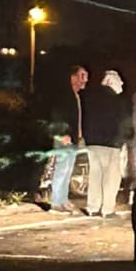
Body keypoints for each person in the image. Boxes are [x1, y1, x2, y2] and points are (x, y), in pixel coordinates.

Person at [83, 69, 131, 217]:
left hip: (92, 143)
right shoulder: (118, 101)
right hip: (111, 144)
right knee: (111, 178)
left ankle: (92, 207)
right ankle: (107, 209)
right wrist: (124, 140)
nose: (122, 83)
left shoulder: (91, 98)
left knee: (95, 176)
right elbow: (124, 122)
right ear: (111, 82)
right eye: (119, 80)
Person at [48, 65, 88, 213]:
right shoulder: (64, 95)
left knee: (68, 169)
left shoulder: (75, 95)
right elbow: (57, 115)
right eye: (82, 76)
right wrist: (62, 133)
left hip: (72, 138)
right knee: (62, 168)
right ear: (73, 77)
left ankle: (63, 200)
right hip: (64, 138)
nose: (85, 80)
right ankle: (56, 202)